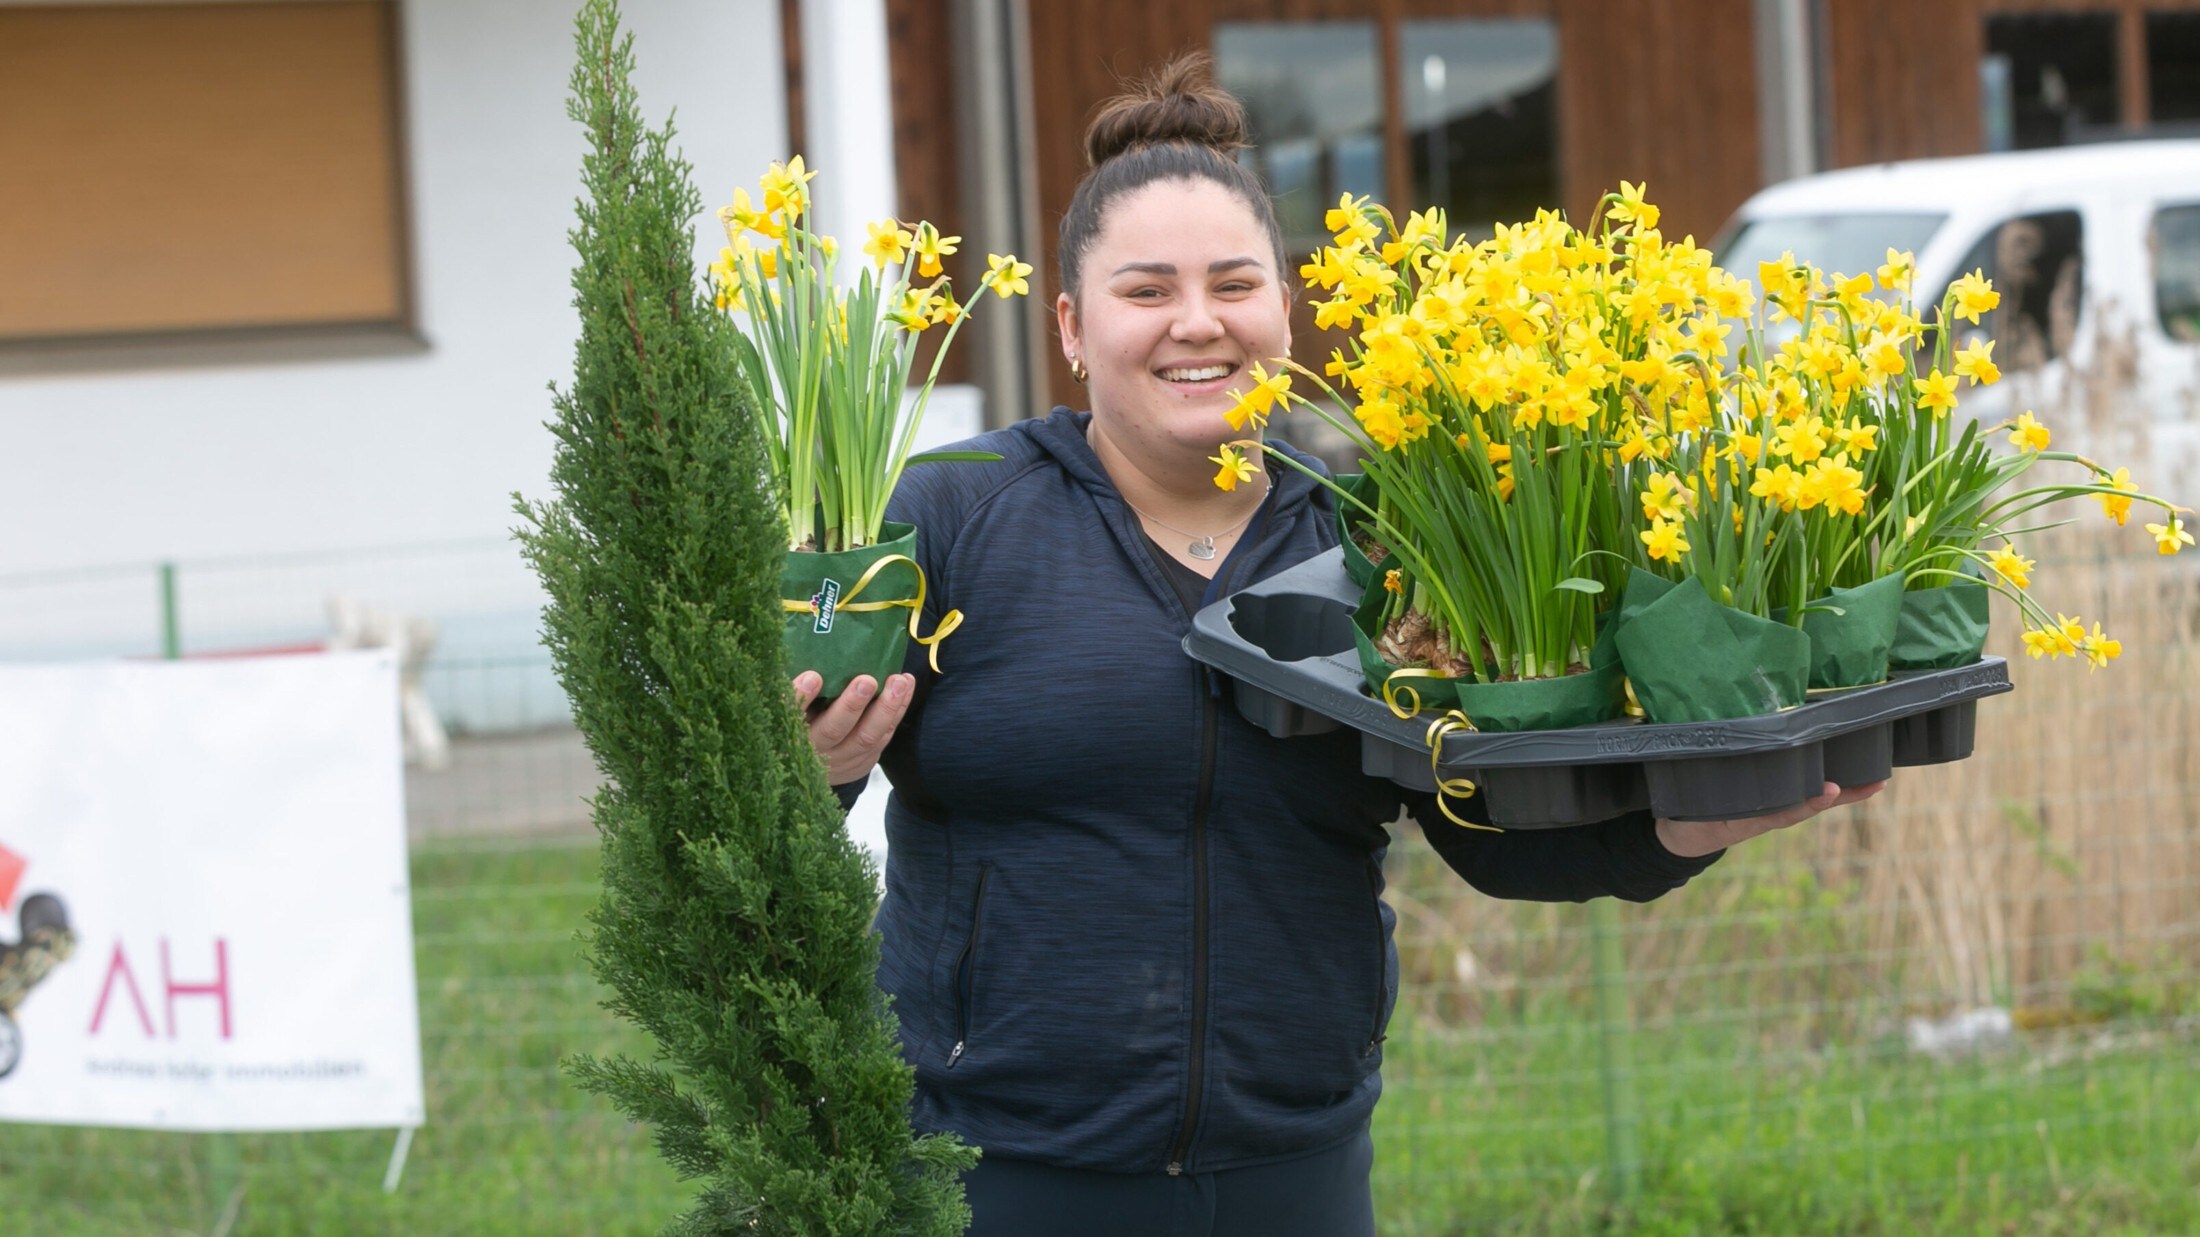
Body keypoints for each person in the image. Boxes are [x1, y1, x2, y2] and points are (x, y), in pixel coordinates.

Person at [792, 54, 1884, 1237]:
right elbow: (779, 771)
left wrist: (1679, 829)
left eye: (1234, 283)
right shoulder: (956, 512)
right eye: (1145, 290)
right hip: (991, 1173)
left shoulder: (1380, 539)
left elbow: (1491, 837)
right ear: (1069, 324)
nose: (1198, 323)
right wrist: (810, 769)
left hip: (1296, 1171)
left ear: (1286, 309)